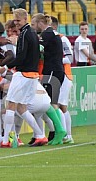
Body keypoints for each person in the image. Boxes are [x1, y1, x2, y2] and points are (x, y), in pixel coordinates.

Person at [1, 8, 48, 147]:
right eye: (15, 20)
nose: (16, 23)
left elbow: (21, 57)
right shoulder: (33, 33)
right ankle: (40, 135)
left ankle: (6, 141)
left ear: (25, 19)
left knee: (10, 104)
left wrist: (6, 66)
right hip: (33, 75)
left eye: (18, 20)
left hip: (23, 74)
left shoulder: (24, 34)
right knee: (21, 107)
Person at [31, 13, 67, 145]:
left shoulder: (46, 35)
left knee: (50, 103)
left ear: (41, 23)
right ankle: (60, 132)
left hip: (52, 71)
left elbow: (37, 49)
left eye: (34, 24)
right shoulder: (53, 34)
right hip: (56, 70)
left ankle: (60, 131)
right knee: (53, 102)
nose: (34, 28)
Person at [51, 16, 74, 144]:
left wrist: (56, 61)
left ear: (54, 26)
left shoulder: (62, 38)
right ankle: (67, 135)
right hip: (59, 74)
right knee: (60, 105)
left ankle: (67, 135)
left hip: (65, 74)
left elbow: (70, 58)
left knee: (60, 105)